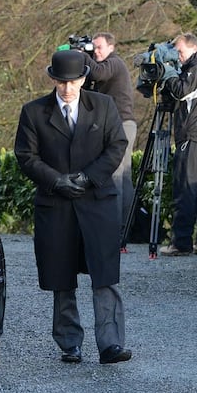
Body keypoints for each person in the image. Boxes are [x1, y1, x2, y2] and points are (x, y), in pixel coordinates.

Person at [14, 49, 132, 365]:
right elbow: (26, 156)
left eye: (74, 81)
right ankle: (70, 342)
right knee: (61, 275)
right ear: (53, 79)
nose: (68, 88)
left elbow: (117, 145)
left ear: (84, 78)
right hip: (56, 203)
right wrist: (57, 181)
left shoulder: (104, 106)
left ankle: (110, 344)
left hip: (97, 201)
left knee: (105, 275)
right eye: (62, 81)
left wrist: (87, 177)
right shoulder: (34, 111)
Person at [159, 33, 197, 256]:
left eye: (180, 52)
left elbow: (182, 91)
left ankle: (182, 242)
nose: (177, 57)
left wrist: (167, 73)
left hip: (194, 134)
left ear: (193, 49)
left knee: (185, 187)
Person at [81, 33, 137, 239]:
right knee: (123, 176)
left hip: (122, 124)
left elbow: (97, 74)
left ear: (111, 47)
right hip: (117, 124)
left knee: (116, 175)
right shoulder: (104, 65)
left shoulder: (114, 63)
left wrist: (82, 56)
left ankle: (117, 228)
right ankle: (123, 226)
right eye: (93, 47)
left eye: (99, 47)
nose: (95, 51)